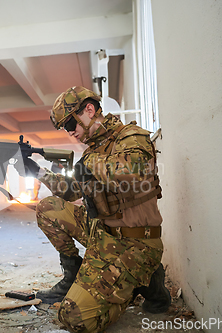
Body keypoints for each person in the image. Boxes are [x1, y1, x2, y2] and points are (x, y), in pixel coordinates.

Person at [14, 86, 170, 332]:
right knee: (48, 207)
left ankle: (144, 280)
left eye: (70, 125)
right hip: (102, 233)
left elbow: (134, 173)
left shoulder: (131, 137)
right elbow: (71, 190)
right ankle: (72, 274)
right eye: (65, 128)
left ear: (89, 109)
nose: (70, 133)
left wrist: (90, 161)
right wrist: (37, 171)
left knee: (74, 318)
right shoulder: (93, 151)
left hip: (134, 243)